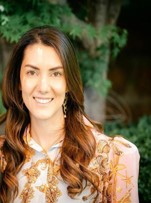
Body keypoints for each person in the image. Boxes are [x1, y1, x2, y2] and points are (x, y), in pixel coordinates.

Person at [0, 26, 140, 203]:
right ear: (18, 81)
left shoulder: (113, 158)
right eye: (32, 72)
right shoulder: (4, 157)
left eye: (56, 73)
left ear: (68, 83)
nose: (43, 87)